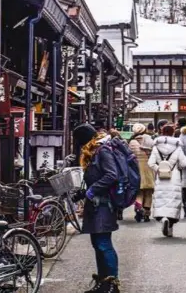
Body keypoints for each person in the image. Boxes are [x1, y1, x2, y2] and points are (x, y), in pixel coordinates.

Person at [73, 124, 121, 293]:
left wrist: (92, 191)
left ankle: (112, 284)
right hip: (96, 204)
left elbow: (111, 175)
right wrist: (84, 193)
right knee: (97, 243)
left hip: (103, 204)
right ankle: (103, 282)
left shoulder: (102, 150)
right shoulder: (94, 151)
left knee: (103, 243)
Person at [148, 123, 186, 237]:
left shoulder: (156, 147)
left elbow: (150, 163)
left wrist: (160, 169)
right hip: (174, 177)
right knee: (173, 201)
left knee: (161, 200)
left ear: (162, 132)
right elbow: (184, 163)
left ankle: (163, 218)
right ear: (172, 133)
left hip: (160, 178)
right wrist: (177, 167)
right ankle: (170, 225)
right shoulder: (178, 147)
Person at [129, 123, 155, 222]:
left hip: (135, 170)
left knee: (139, 192)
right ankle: (147, 214)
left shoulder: (131, 142)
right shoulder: (149, 140)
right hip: (148, 168)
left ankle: (139, 209)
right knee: (148, 192)